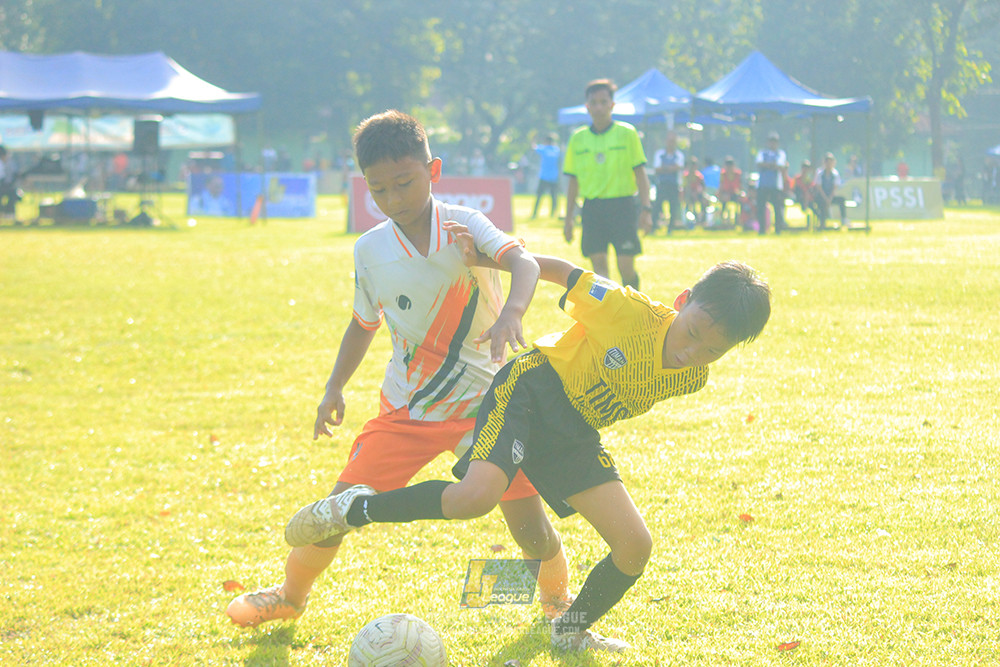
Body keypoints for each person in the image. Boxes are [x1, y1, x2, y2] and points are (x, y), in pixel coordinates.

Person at [285, 249, 771, 653]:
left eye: (713, 349)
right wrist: (498, 266)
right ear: (683, 301)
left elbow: (624, 391)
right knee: (472, 500)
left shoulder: (692, 377)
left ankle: (569, 627)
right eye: (694, 331)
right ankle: (354, 508)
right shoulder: (627, 309)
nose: (693, 351)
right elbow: (560, 271)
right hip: (530, 391)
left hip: (573, 432)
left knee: (633, 545)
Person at [225, 110, 572, 629]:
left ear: (433, 171)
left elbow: (524, 263)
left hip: (489, 410)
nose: (393, 199)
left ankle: (554, 606)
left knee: (530, 531)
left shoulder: (464, 224)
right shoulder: (370, 250)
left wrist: (513, 314)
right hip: (407, 409)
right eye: (378, 189)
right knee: (338, 510)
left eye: (404, 183)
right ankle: (291, 596)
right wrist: (334, 386)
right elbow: (363, 323)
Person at [563, 79, 652, 289]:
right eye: (594, 103)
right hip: (593, 209)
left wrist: (646, 208)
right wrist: (568, 219)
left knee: (626, 267)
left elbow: (640, 173)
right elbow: (573, 182)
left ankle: (634, 310)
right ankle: (609, 317)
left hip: (622, 207)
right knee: (599, 269)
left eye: (604, 102)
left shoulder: (627, 133)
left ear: (612, 104)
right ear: (587, 107)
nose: (599, 107)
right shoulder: (578, 139)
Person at [755, 131, 788, 234]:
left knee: (777, 208)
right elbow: (759, 164)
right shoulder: (762, 152)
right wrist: (772, 166)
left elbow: (780, 166)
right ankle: (762, 229)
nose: (772, 144)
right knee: (761, 207)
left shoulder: (781, 153)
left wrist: (767, 165)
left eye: (775, 142)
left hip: (775, 185)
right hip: (763, 184)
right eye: (771, 141)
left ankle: (778, 229)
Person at [651, 130, 684, 233]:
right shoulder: (659, 154)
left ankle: (670, 228)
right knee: (657, 205)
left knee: (673, 206)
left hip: (674, 184)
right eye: (669, 141)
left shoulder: (679, 155)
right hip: (662, 184)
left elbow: (678, 168)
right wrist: (671, 168)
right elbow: (657, 169)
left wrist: (664, 168)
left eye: (673, 141)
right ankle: (653, 227)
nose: (671, 143)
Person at [813, 152, 848, 229]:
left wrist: (830, 199)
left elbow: (834, 188)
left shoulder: (835, 174)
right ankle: (822, 223)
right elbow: (819, 188)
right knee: (821, 202)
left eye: (831, 162)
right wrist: (826, 198)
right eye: (827, 162)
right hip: (822, 196)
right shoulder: (820, 173)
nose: (829, 164)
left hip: (830, 196)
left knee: (841, 200)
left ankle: (843, 220)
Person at [531, 133, 561, 219]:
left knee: (539, 196)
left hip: (544, 176)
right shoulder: (557, 150)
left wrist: (533, 139)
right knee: (554, 197)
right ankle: (553, 213)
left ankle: (535, 213)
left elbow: (534, 147)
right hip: (554, 176)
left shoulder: (544, 149)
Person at [716, 156, 743, 225]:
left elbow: (740, 186)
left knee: (741, 200)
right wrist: (720, 194)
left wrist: (741, 194)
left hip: (734, 193)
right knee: (724, 200)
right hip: (725, 193)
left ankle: (739, 219)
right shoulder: (723, 174)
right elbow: (721, 185)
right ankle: (722, 220)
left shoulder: (737, 174)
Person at [682, 156, 707, 225]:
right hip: (688, 194)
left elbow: (703, 186)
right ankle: (687, 219)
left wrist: (698, 192)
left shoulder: (699, 176)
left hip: (698, 194)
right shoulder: (686, 176)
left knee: (704, 201)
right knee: (688, 202)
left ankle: (702, 219)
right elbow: (684, 187)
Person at [0, 145, 21, 217]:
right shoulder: (1, 163)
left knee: (13, 194)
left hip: (6, 186)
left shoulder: (9, 163)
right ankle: (7, 214)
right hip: (3, 186)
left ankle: (8, 213)